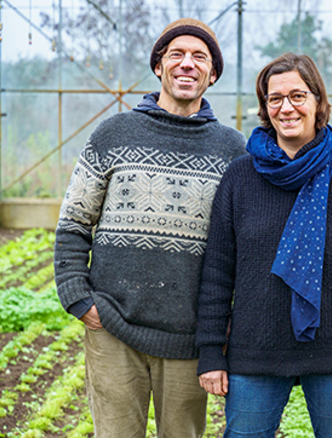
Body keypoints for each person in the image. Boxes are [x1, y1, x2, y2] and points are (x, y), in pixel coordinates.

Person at [53, 18, 247, 438]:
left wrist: (228, 323)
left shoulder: (234, 150)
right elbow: (74, 221)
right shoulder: (114, 133)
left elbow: (244, 246)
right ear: (159, 66)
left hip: (190, 338)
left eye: (200, 57)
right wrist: (77, 295)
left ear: (212, 75)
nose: (187, 64)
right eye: (176, 54)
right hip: (113, 327)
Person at [195, 52, 332, 438]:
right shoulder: (240, 177)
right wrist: (210, 352)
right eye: (275, 99)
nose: (286, 107)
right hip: (256, 350)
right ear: (265, 108)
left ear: (318, 102)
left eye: (298, 96)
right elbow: (217, 272)